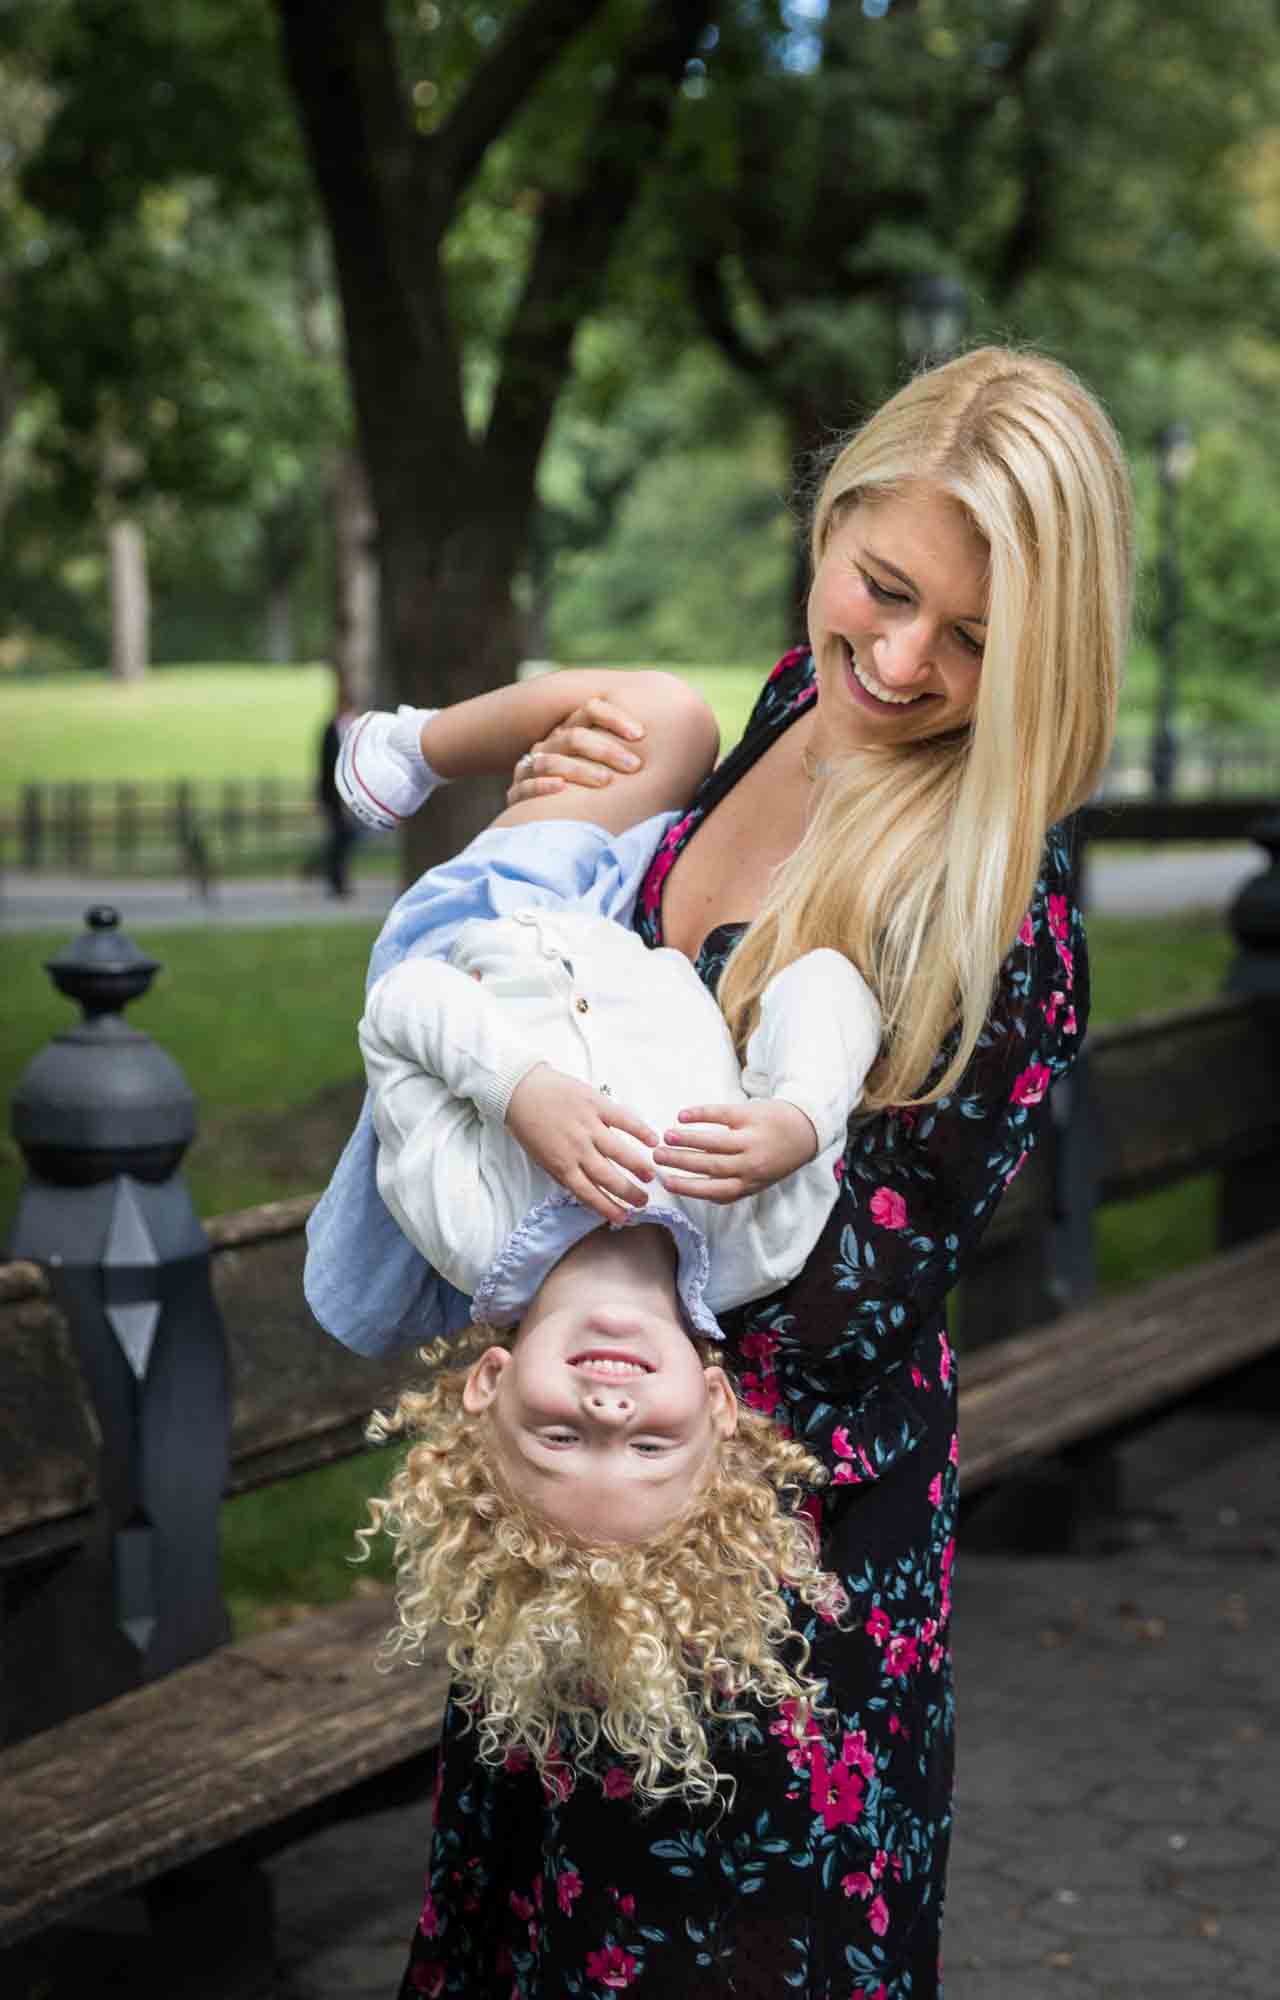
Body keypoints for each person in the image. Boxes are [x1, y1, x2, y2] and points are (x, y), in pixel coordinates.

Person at [358, 346, 1135, 1998]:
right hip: (575, 1497)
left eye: (977, 641)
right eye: (884, 584)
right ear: (838, 516)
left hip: (759, 1583)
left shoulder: (1007, 917)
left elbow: (846, 1308)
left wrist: (557, 1285)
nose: (901, 657)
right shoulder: (800, 693)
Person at [309, 684, 883, 1810]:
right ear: (716, 1408)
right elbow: (827, 982)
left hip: (487, 921)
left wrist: (519, 1089)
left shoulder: (468, 1225)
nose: (609, 1417)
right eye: (649, 1448)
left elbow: (403, 1010)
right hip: (635, 924)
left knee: (665, 717)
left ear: (489, 1379)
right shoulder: (754, 1234)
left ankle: (395, 750)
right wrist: (803, 1116)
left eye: (559, 1435)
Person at [314, 673, 358, 896]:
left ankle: (334, 877)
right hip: (332, 794)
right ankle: (335, 881)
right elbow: (324, 763)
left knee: (344, 836)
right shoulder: (330, 730)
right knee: (340, 835)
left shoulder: (351, 729)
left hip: (346, 792)